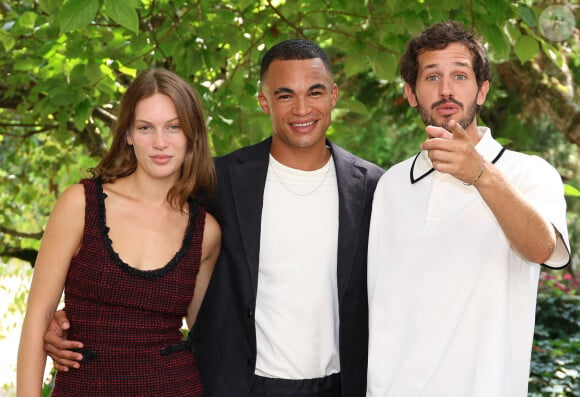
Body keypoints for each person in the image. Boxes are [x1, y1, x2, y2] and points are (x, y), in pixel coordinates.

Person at [43, 39, 384, 396]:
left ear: (334, 95)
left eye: (314, 92)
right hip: (240, 384)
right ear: (264, 101)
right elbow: (143, 232)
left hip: (343, 385)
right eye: (285, 95)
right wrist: (71, 316)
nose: (302, 108)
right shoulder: (217, 183)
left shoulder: (375, 189)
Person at [366, 21, 570, 397]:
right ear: (412, 94)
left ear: (482, 90)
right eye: (432, 77)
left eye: (460, 75)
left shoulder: (529, 173)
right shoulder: (390, 185)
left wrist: (479, 173)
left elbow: (544, 249)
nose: (446, 90)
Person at [17, 69, 221, 396]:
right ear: (127, 134)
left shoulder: (205, 231)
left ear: (192, 135)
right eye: (145, 128)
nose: (160, 142)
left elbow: (207, 339)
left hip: (176, 387)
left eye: (174, 127)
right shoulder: (80, 205)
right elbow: (38, 318)